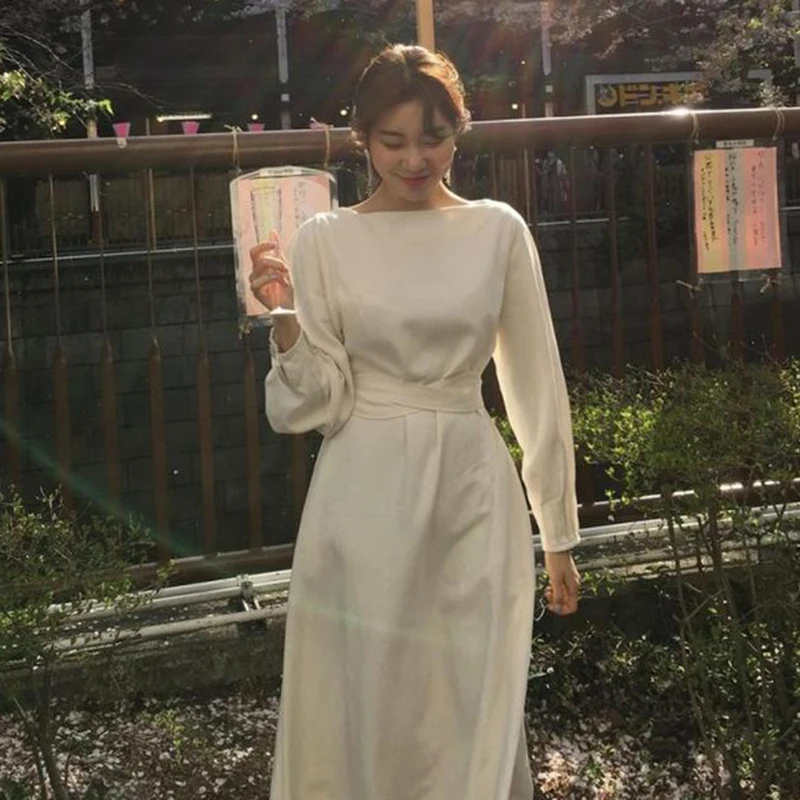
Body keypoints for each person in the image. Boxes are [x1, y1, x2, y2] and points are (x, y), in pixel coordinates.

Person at [250, 43, 581, 800]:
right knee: (363, 696)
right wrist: (286, 318)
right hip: (360, 495)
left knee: (472, 697)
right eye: (393, 141)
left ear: (457, 134)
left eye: (432, 139)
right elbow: (316, 402)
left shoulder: (498, 231)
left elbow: (536, 385)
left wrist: (558, 532)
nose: (414, 159)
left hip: (471, 490)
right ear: (362, 140)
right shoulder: (324, 239)